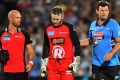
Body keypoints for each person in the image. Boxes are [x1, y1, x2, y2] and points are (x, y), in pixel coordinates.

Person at [80, 0, 120, 80]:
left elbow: (119, 42)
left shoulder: (114, 24)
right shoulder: (93, 25)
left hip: (111, 64)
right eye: (102, 10)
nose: (104, 12)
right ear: (97, 11)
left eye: (106, 10)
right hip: (97, 64)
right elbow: (91, 41)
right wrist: (76, 42)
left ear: (108, 11)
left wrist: (111, 53)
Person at [41, 6, 81, 80]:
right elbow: (46, 45)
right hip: (52, 64)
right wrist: (43, 61)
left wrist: (77, 58)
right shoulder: (47, 28)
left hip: (67, 64)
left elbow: (77, 43)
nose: (55, 21)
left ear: (62, 16)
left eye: (57, 19)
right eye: (53, 19)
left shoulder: (69, 27)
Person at [0, 10, 34, 80]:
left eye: (20, 18)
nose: (19, 20)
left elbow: (30, 50)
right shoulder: (1, 34)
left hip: (21, 70)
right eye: (17, 18)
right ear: (10, 18)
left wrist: (30, 62)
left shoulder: (25, 33)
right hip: (5, 71)